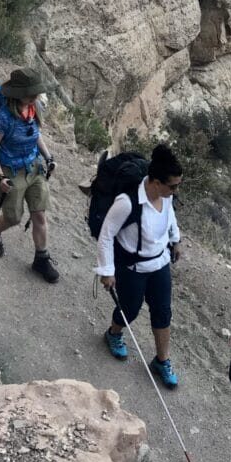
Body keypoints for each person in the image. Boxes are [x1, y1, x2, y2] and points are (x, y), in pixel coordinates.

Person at [96, 144, 183, 389]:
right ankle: (113, 334)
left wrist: (175, 240)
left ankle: (162, 360)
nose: (175, 191)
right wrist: (107, 271)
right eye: (173, 186)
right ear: (155, 182)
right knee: (129, 309)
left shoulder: (165, 197)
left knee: (163, 312)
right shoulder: (127, 202)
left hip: (160, 263)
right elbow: (106, 235)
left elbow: (171, 217)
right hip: (133, 267)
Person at [0, 68, 59, 283]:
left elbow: (36, 135)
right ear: (18, 93)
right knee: (13, 217)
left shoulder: (34, 108)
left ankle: (41, 259)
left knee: (39, 214)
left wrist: (48, 157)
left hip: (34, 168)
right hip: (10, 171)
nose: (35, 96)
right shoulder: (2, 118)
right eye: (31, 93)